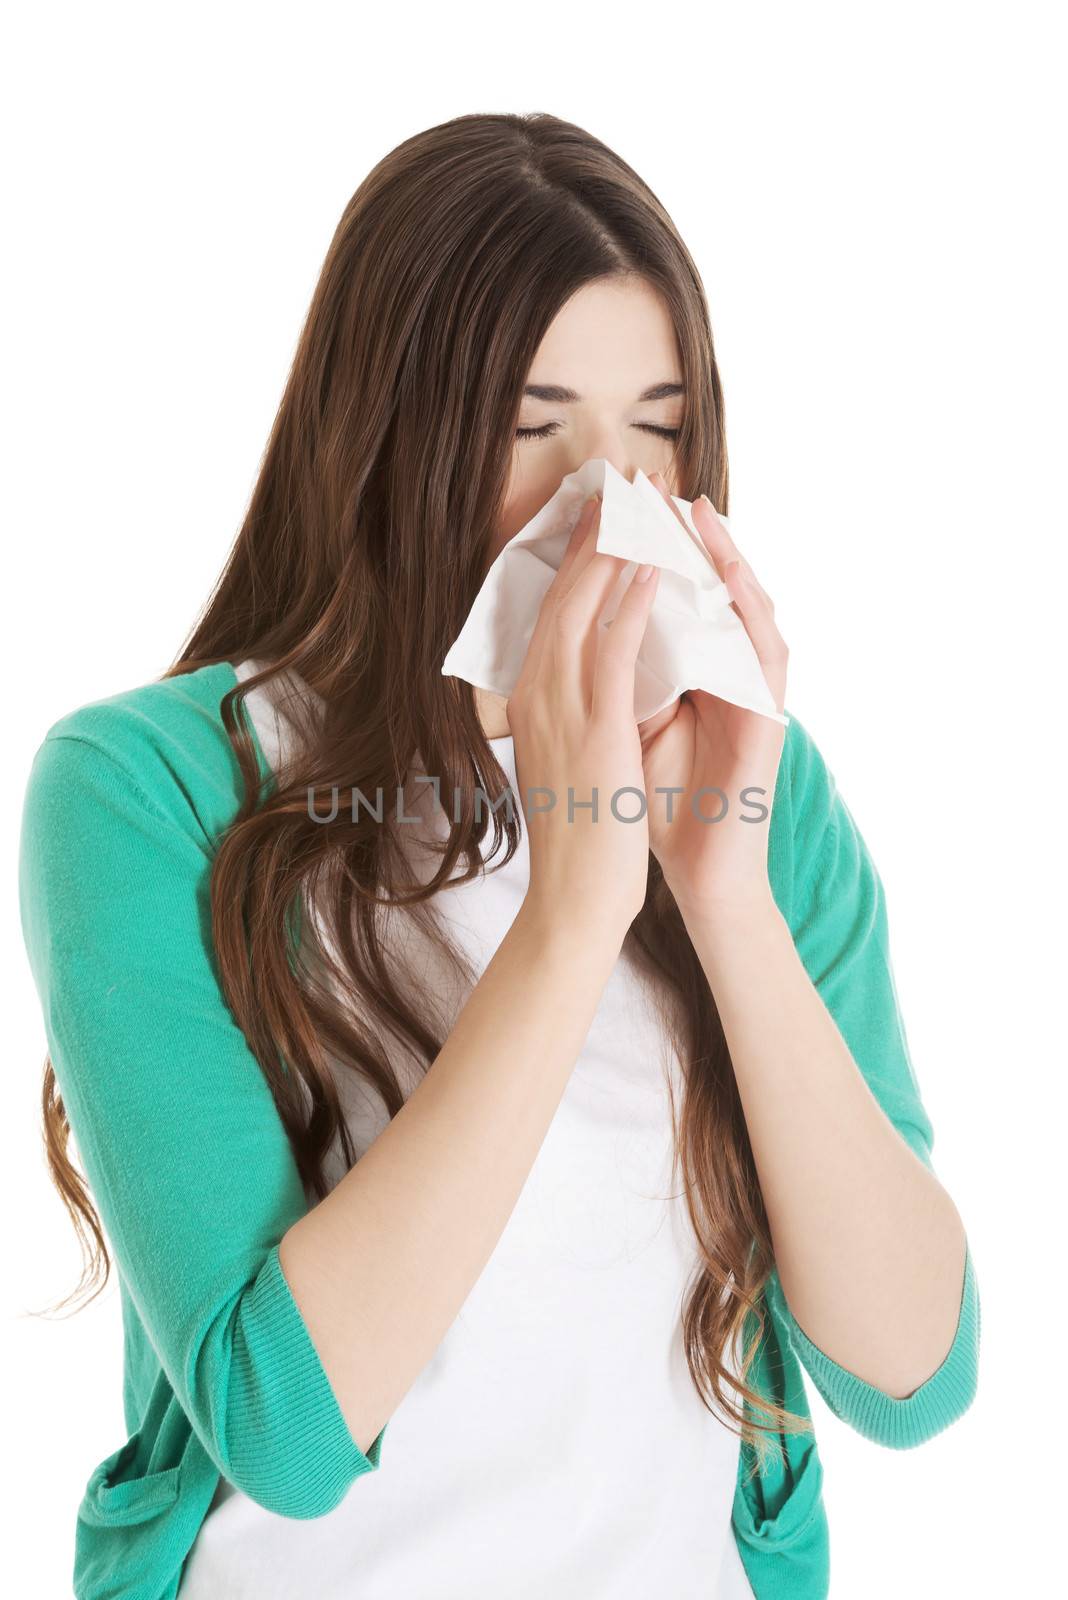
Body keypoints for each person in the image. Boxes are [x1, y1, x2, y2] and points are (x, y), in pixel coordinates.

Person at [18, 112, 980, 1600]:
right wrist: (577, 899)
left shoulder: (758, 797)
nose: (608, 503)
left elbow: (913, 1374)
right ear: (382, 433)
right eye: (533, 429)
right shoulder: (147, 793)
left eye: (654, 430)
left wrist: (719, 893)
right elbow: (281, 1423)